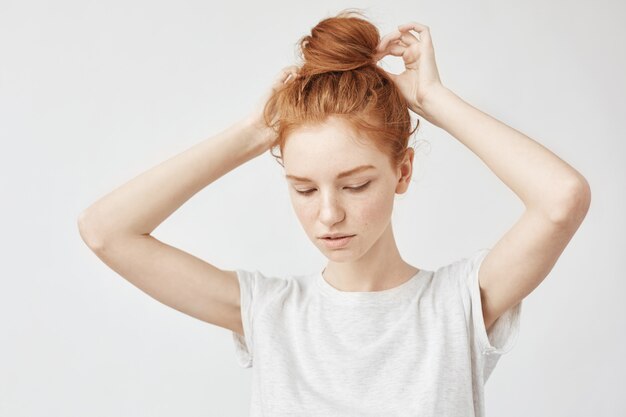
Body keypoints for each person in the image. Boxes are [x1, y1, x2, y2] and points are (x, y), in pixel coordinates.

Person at [77, 9, 591, 417]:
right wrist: (256, 132)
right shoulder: (270, 313)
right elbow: (105, 231)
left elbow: (561, 199)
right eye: (303, 189)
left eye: (356, 185)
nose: (328, 215)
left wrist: (433, 99)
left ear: (403, 172)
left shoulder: (457, 306)